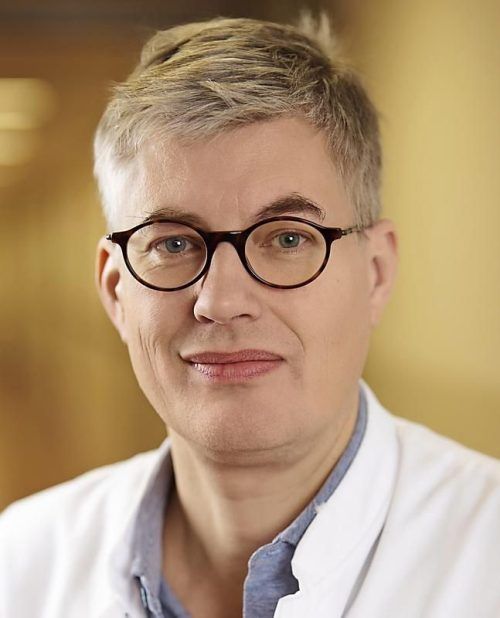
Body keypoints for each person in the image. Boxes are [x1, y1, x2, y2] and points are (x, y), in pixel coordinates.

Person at [1, 14, 499, 618]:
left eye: (288, 239)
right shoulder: (21, 561)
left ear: (375, 272)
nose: (220, 301)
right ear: (115, 290)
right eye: (174, 243)